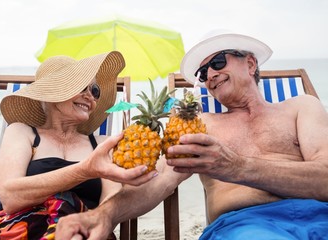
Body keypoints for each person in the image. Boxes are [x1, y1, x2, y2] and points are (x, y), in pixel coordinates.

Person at [55, 32, 328, 240]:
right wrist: (104, 214)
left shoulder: (300, 107)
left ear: (251, 63)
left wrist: (237, 167)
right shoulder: (200, 125)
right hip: (247, 225)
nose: (209, 74)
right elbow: (158, 181)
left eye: (218, 62)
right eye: (202, 72)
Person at [0, 51, 157, 240]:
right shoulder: (23, 132)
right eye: (82, 87)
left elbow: (110, 202)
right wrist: (85, 170)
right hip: (23, 231)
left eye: (95, 90)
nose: (91, 97)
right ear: (51, 92)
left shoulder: (103, 144)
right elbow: (10, 196)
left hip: (81, 230)